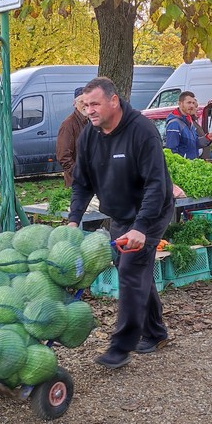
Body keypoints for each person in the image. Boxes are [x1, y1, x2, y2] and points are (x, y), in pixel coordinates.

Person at [68, 76, 175, 368]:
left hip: (150, 212)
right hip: (120, 213)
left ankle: (120, 346)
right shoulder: (89, 136)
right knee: (133, 270)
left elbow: (156, 185)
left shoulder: (142, 132)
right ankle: (155, 332)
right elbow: (81, 183)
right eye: (86, 105)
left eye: (95, 104)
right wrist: (74, 219)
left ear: (114, 101)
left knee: (130, 268)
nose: (89, 110)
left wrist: (141, 227)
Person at [165, 91, 212, 159]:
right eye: (189, 103)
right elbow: (171, 152)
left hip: (191, 165)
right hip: (183, 167)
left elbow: (194, 143)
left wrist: (208, 138)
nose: (192, 106)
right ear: (180, 103)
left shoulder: (190, 122)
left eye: (193, 103)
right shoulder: (174, 124)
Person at [56, 87, 89, 187]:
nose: (84, 104)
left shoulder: (91, 122)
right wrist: (78, 174)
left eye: (87, 101)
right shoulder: (68, 124)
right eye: (81, 101)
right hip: (77, 183)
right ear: (74, 103)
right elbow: (63, 156)